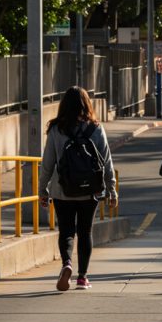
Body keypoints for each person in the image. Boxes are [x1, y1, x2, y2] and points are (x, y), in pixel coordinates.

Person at [38, 86, 117, 292]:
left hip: (62, 190)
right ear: (87, 104)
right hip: (89, 190)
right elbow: (106, 161)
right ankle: (83, 278)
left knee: (66, 231)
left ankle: (67, 264)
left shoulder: (56, 129)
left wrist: (42, 190)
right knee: (85, 231)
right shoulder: (95, 128)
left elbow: (47, 163)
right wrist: (112, 189)